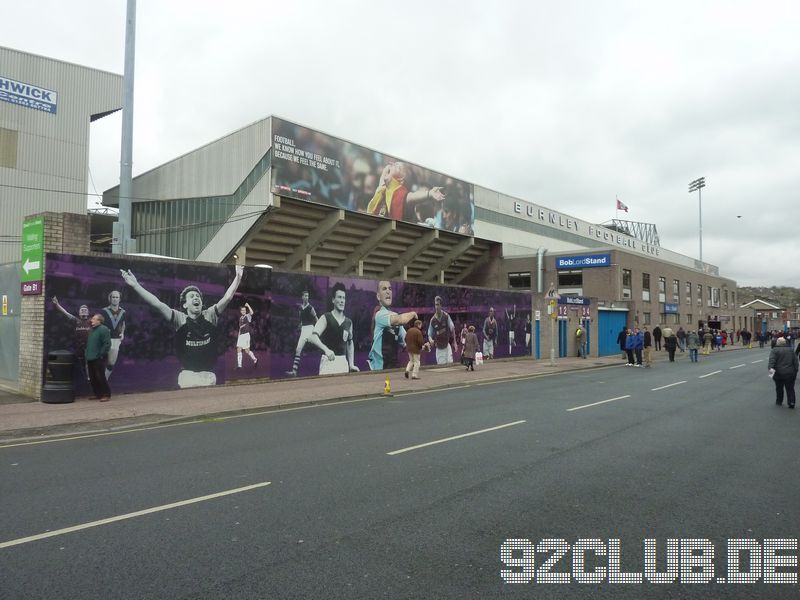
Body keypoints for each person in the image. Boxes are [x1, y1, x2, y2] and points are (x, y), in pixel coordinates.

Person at [121, 265, 243, 388]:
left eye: (198, 296)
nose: (196, 298)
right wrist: (136, 285)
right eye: (192, 296)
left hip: (208, 375)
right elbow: (157, 303)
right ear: (185, 305)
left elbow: (227, 297)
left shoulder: (210, 315)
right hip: (188, 375)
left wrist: (238, 277)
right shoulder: (180, 318)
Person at [366, 162, 445, 222]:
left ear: (401, 179)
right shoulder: (383, 187)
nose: (393, 165)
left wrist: (429, 193)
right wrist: (388, 168)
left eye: (398, 167)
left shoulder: (401, 193)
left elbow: (413, 196)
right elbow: (384, 177)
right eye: (394, 164)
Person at [309, 282, 359, 375]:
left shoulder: (348, 322)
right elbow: (313, 337)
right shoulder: (326, 317)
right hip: (328, 362)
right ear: (333, 300)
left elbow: (349, 342)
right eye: (339, 297)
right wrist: (326, 350)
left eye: (344, 298)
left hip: (343, 363)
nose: (342, 300)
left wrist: (351, 364)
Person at [368, 280, 417, 370]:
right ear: (378, 296)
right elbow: (399, 320)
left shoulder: (394, 315)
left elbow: (407, 342)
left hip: (393, 369)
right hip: (380, 370)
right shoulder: (379, 315)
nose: (388, 291)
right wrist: (413, 313)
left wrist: (421, 346)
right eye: (384, 289)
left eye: (390, 289)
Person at [51, 296, 92, 382]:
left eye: (85, 310)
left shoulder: (92, 322)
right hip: (78, 349)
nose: (83, 311)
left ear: (88, 313)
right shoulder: (76, 320)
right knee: (82, 366)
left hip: (89, 348)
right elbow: (65, 312)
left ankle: (90, 378)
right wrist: (57, 304)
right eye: (82, 310)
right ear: (79, 313)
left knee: (89, 364)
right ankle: (86, 379)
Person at [286, 291, 319, 377]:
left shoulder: (311, 308)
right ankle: (294, 371)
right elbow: (301, 320)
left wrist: (318, 329)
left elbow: (316, 319)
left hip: (311, 329)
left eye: (308, 296)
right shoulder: (300, 308)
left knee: (320, 346)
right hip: (304, 330)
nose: (307, 297)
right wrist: (299, 326)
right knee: (298, 350)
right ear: (302, 297)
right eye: (305, 296)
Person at [85, 313, 111, 401]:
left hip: (98, 358)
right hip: (90, 357)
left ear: (99, 321)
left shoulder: (104, 329)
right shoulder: (91, 330)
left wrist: (101, 354)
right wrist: (86, 354)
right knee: (92, 377)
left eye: (94, 319)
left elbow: (107, 344)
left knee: (100, 376)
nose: (91, 320)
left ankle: (106, 394)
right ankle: (98, 394)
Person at [101, 290, 126, 379]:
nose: (115, 299)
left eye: (117, 297)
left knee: (111, 363)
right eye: (113, 297)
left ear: (119, 299)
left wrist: (122, 333)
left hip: (115, 340)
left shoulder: (123, 312)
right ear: (110, 298)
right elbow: (98, 324)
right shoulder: (104, 311)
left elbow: (123, 324)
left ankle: (105, 379)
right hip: (104, 339)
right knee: (100, 361)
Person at [768, 337, 799, 408]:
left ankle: (779, 401)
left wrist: (771, 375)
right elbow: (795, 362)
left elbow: (771, 363)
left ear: (777, 343)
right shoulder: (791, 350)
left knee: (779, 388)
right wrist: (795, 371)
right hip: (790, 373)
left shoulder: (774, 350)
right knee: (790, 388)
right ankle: (791, 402)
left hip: (778, 374)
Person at [428, 296, 458, 364]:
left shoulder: (446, 316)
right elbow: (429, 334)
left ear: (441, 305)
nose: (436, 307)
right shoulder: (432, 320)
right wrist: (430, 340)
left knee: (451, 366)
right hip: (439, 349)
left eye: (438, 305)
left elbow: (452, 328)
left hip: (447, 347)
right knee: (442, 369)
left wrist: (455, 342)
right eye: (435, 304)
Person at [236, 303, 258, 369]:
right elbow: (240, 328)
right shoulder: (240, 318)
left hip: (246, 335)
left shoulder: (247, 316)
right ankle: (239, 365)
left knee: (247, 351)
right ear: (240, 311)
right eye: (242, 310)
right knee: (238, 349)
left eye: (245, 310)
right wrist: (238, 337)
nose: (244, 311)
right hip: (241, 336)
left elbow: (252, 312)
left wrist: (248, 305)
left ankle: (255, 359)